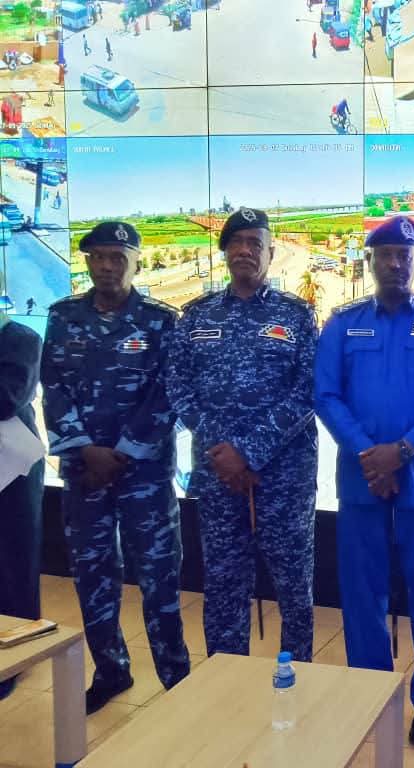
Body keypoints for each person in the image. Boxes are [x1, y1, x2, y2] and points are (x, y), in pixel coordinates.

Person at [314, 215, 414, 748]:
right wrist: (369, 455)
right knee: (362, 596)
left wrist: (400, 452)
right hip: (363, 481)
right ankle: (370, 695)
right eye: (385, 255)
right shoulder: (343, 323)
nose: (395, 263)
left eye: (405, 254)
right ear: (371, 261)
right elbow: (326, 395)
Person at [40, 222, 190, 714]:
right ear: (87, 261)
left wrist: (122, 452)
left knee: (159, 577)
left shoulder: (160, 321)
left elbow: (168, 393)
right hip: (84, 471)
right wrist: (86, 450)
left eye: (118, 258)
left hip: (143, 474)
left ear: (136, 263)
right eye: (98, 257)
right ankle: (110, 671)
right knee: (93, 574)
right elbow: (52, 386)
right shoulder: (63, 317)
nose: (107, 266)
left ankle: (176, 677)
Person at [166, 208, 318, 663]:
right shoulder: (197, 315)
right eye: (237, 242)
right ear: (224, 251)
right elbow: (179, 386)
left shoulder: (296, 315)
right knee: (223, 584)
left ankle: (299, 681)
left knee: (293, 585)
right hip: (219, 477)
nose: (245, 250)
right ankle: (226, 680)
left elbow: (308, 391)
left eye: (256, 243)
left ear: (271, 253)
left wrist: (249, 452)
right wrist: (225, 454)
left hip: (284, 478)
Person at [0, 315, 44, 701]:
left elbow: (6, 399)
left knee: (14, 560)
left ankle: (17, 650)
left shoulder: (20, 339)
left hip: (12, 466)